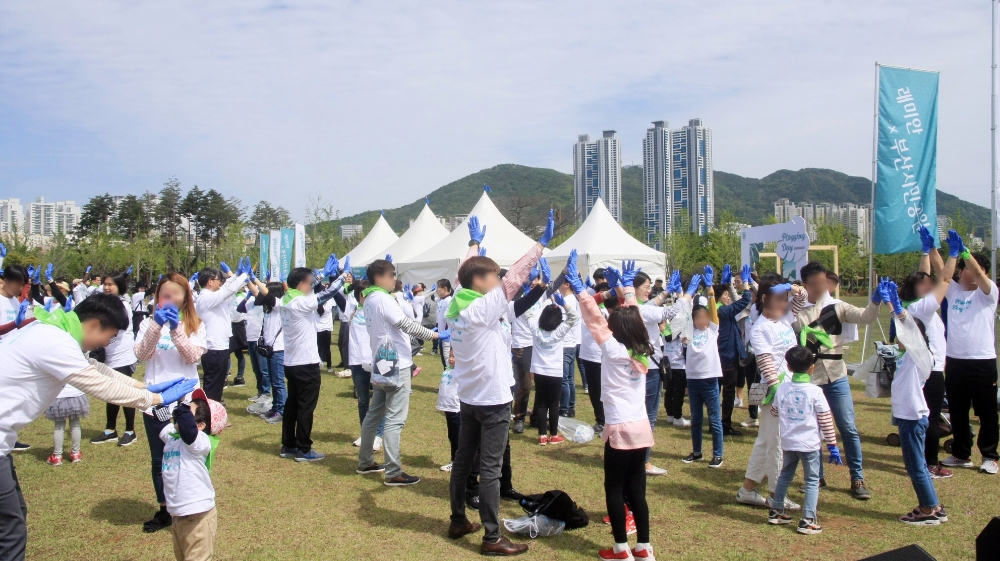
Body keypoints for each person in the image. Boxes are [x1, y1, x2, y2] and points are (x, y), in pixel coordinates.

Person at [0, 292, 197, 558]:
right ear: (94, 324)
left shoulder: (52, 331)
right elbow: (100, 385)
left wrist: (143, 386)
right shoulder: (54, 341)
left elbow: (94, 368)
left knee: (13, 518)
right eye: (110, 336)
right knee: (10, 531)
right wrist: (156, 399)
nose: (107, 343)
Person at [445, 212, 546, 557]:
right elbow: (513, 278)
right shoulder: (481, 309)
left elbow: (465, 273)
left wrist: (474, 245)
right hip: (492, 400)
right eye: (493, 275)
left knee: (463, 461)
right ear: (479, 281)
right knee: (490, 469)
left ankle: (458, 520)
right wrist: (539, 246)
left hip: (471, 397)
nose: (499, 279)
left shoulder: (460, 302)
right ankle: (492, 538)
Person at [574, 260, 657, 561]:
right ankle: (644, 547)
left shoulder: (613, 349)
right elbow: (634, 318)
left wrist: (583, 293)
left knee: (614, 487)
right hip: (641, 428)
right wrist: (627, 289)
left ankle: (621, 548)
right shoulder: (642, 347)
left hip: (620, 429)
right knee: (637, 490)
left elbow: (595, 321)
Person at [794, 261, 881, 499]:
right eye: (816, 283)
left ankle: (857, 478)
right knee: (813, 430)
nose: (822, 287)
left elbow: (865, 317)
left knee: (848, 428)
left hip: (837, 376)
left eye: (824, 282)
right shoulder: (797, 313)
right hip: (810, 379)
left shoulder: (838, 307)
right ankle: (816, 477)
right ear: (806, 285)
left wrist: (875, 301)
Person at [134, 273, 208, 533]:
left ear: (185, 298)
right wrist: (156, 325)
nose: (170, 298)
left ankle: (193, 506)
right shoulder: (147, 323)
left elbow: (192, 357)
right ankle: (165, 509)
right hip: (156, 402)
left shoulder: (196, 324)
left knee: (191, 454)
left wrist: (176, 329)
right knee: (160, 459)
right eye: (165, 293)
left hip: (186, 403)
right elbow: (142, 354)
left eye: (176, 293)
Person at [357, 258, 440, 484]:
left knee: (374, 413)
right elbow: (405, 324)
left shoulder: (370, 298)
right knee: (395, 419)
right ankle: (393, 472)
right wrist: (434, 335)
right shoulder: (383, 299)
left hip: (381, 362)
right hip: (397, 364)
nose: (395, 279)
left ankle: (365, 461)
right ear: (379, 277)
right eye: (391, 275)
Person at [876, 279, 950, 525]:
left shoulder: (920, 355)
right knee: (916, 464)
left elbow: (911, 332)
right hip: (909, 416)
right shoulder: (908, 355)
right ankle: (933, 506)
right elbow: (906, 330)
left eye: (902, 334)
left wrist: (899, 310)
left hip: (912, 418)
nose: (897, 338)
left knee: (915, 466)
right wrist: (890, 304)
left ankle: (928, 509)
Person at [736, 277, 807, 511]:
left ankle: (747, 490)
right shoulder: (760, 328)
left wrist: (792, 289)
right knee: (778, 444)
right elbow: (766, 362)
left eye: (785, 299)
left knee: (765, 441)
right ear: (765, 299)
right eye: (778, 299)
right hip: (775, 393)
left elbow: (802, 298)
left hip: (788, 389)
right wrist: (780, 392)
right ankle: (777, 494)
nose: (783, 303)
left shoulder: (785, 319)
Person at [939, 237, 999, 475]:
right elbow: (941, 271)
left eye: (978, 270)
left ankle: (990, 456)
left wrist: (965, 254)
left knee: (987, 413)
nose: (973, 273)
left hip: (982, 361)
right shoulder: (954, 292)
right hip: (955, 361)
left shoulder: (988, 293)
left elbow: (979, 274)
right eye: (967, 269)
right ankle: (961, 454)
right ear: (960, 272)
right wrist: (931, 249)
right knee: (958, 412)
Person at [766, 346, 842, 535]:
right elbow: (825, 419)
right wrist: (832, 445)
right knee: (812, 480)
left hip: (788, 442)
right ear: (812, 368)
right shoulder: (815, 392)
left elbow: (774, 412)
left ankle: (776, 511)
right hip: (809, 445)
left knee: (785, 475)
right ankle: (808, 519)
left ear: (789, 367)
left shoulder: (782, 389)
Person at [902, 226, 958, 478]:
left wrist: (926, 252)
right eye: (925, 284)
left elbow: (924, 276)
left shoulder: (912, 306)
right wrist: (953, 254)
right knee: (931, 419)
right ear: (917, 289)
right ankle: (930, 464)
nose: (930, 283)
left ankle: (917, 461)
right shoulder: (923, 308)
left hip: (919, 368)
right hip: (930, 370)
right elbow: (944, 280)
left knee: (919, 417)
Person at [278, 258, 347, 462]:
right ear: (301, 284)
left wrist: (320, 274)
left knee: (292, 404)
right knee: (306, 407)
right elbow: (327, 293)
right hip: (305, 364)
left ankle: (289, 444)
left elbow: (313, 287)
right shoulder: (300, 302)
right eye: (309, 283)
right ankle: (304, 448)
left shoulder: (287, 299)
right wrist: (342, 276)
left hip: (291, 362)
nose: (312, 286)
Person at [162, 388, 227, 560]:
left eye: (188, 412)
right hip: (178, 514)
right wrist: (158, 403)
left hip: (198, 515)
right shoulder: (174, 437)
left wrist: (180, 405)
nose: (181, 414)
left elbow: (189, 431)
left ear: (200, 426)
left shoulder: (200, 441)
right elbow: (160, 424)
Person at [681, 268, 725, 468]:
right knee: (696, 419)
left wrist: (710, 290)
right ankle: (697, 452)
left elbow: (714, 312)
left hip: (709, 379)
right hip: (693, 380)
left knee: (714, 419)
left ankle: (718, 454)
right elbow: (685, 311)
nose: (701, 320)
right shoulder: (690, 331)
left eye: (704, 317)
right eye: (697, 318)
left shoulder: (713, 330)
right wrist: (687, 294)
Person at [90, 270, 140, 447]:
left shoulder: (122, 305)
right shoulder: (105, 304)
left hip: (122, 355)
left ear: (119, 286)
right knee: (110, 392)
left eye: (111, 284)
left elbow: (116, 329)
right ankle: (110, 429)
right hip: (109, 355)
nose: (107, 287)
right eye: (105, 284)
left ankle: (130, 431)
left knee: (125, 393)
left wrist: (98, 338)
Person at [338, 280, 385, 451]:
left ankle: (378, 435)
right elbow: (338, 293)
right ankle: (366, 434)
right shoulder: (351, 308)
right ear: (359, 295)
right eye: (365, 293)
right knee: (363, 400)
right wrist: (344, 278)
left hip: (376, 360)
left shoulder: (378, 309)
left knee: (379, 400)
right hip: (357, 361)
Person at [529, 293, 580, 445]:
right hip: (555, 372)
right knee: (553, 404)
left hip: (539, 371)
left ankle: (542, 436)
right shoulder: (559, 331)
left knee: (541, 403)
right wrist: (564, 304)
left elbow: (527, 314)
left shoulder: (536, 330)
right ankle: (553, 435)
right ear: (558, 319)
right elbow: (574, 317)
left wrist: (530, 296)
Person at [194, 262, 249, 401]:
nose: (221, 282)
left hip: (218, 347)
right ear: (210, 281)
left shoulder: (210, 295)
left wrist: (236, 275)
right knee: (213, 386)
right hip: (215, 349)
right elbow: (228, 290)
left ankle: (212, 409)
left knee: (216, 385)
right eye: (219, 279)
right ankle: (210, 411)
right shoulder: (207, 298)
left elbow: (225, 288)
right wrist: (243, 275)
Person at [715, 265, 754, 436]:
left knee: (717, 390)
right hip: (727, 356)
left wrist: (727, 284)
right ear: (719, 296)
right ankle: (724, 424)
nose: (728, 297)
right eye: (726, 295)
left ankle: (717, 422)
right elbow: (745, 300)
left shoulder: (715, 307)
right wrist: (745, 283)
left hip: (721, 355)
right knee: (728, 391)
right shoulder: (723, 310)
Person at [245, 276, 287, 425]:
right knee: (274, 381)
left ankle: (282, 410)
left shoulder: (280, 306)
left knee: (278, 382)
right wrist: (248, 280)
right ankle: (275, 407)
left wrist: (256, 279)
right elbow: (257, 293)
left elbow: (265, 294)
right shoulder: (269, 309)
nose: (264, 294)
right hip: (270, 349)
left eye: (268, 292)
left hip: (278, 350)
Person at [510, 264, 546, 434]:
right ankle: (519, 418)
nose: (533, 282)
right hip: (522, 345)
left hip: (539, 343)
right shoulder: (517, 295)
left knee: (542, 383)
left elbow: (552, 286)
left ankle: (537, 417)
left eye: (536, 279)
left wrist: (564, 272)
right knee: (524, 385)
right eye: (530, 279)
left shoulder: (541, 294)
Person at [580, 281, 618, 434]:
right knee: (594, 391)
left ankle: (609, 421)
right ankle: (600, 420)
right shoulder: (590, 306)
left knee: (607, 391)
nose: (603, 295)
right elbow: (589, 302)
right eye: (601, 292)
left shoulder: (612, 311)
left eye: (607, 292)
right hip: (589, 354)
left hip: (604, 355)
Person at [45, 380, 89, 466]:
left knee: (59, 426)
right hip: (75, 393)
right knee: (75, 424)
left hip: (59, 394)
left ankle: (57, 456)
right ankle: (76, 454)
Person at [229, 289, 248, 387]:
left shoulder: (243, 295)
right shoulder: (229, 294)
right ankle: (225, 376)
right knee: (227, 352)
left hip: (239, 326)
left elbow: (241, 313)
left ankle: (240, 377)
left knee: (238, 353)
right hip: (229, 325)